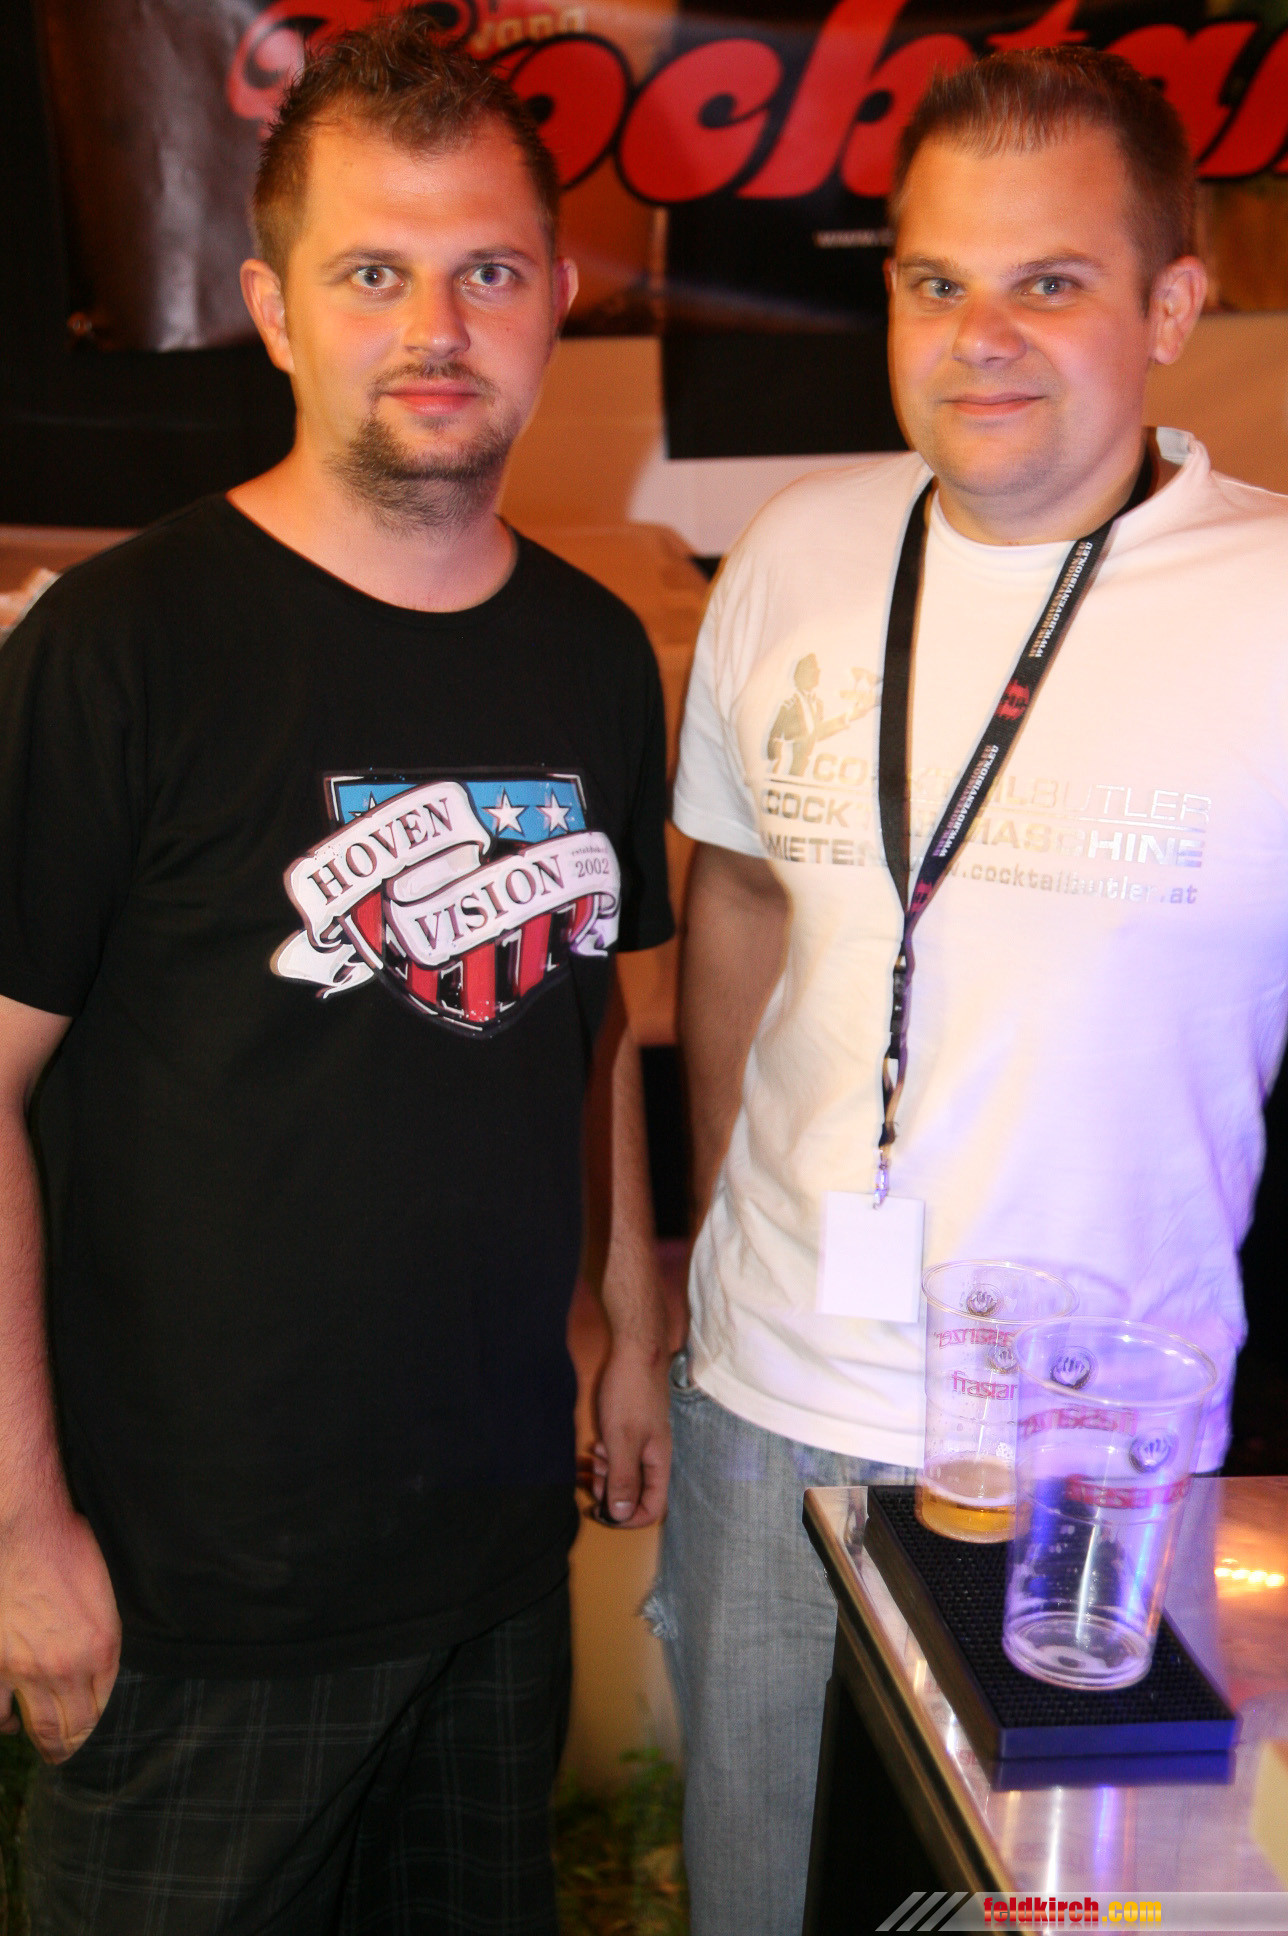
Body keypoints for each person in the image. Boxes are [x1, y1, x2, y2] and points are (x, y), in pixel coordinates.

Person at [0, 19, 674, 1933]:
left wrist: (630, 1320)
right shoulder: (117, 647)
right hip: (197, 1596)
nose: (436, 327)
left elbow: (585, 1023)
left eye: (487, 272)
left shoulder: (593, 652)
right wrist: (20, 1523)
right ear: (272, 310)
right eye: (373, 272)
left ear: (556, 299)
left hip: (490, 1559)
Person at [653, 45, 1288, 1936]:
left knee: (1039, 1918)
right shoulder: (799, 551)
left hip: (1110, 1462)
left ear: (1170, 305)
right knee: (762, 1895)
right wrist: (727, 1239)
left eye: (1050, 280)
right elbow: (739, 894)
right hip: (774, 1402)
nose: (979, 336)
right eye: (935, 281)